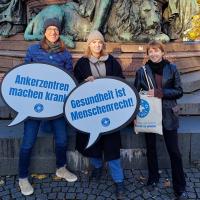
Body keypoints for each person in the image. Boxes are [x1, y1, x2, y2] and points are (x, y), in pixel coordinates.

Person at [18, 18, 77, 196]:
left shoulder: (65, 53)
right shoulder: (33, 50)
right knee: (27, 142)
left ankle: (61, 167)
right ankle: (22, 177)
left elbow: (70, 77)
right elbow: (24, 73)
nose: (53, 32)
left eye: (56, 30)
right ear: (44, 32)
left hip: (56, 106)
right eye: (50, 29)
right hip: (34, 104)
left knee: (62, 139)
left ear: (59, 33)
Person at [73, 30, 125, 199]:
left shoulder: (111, 62)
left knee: (112, 147)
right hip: (90, 113)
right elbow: (75, 86)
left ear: (103, 45)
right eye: (94, 42)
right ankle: (97, 167)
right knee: (92, 143)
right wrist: (83, 83)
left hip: (110, 112)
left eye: (100, 42)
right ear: (89, 44)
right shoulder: (81, 63)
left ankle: (119, 181)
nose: (97, 45)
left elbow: (121, 80)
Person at [134, 41, 187, 200]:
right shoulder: (141, 71)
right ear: (148, 54)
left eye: (157, 51)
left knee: (174, 152)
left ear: (162, 52)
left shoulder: (172, 68)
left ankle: (179, 186)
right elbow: (137, 95)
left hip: (168, 114)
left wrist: (159, 92)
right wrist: (135, 117)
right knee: (151, 148)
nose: (154, 54)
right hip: (149, 114)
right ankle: (153, 178)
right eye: (151, 51)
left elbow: (179, 91)